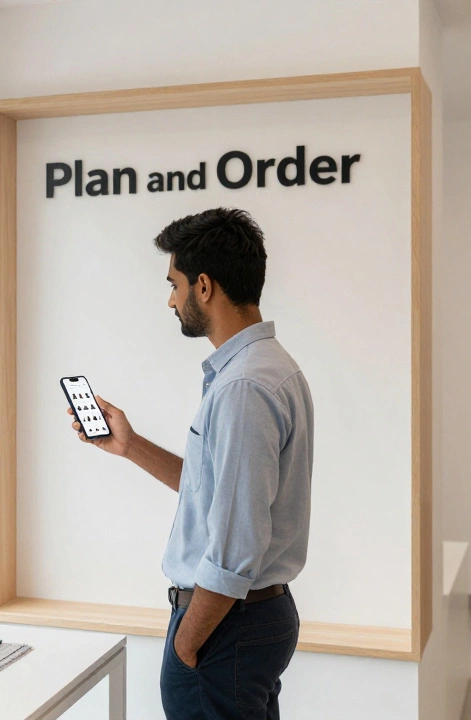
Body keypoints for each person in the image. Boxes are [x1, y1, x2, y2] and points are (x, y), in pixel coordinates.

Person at [68, 207, 313, 720]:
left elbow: (236, 543)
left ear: (204, 286)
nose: (171, 299)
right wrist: (130, 445)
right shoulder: (266, 368)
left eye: (174, 283)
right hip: (249, 618)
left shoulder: (244, 386)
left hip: (225, 625)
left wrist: (188, 640)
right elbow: (217, 492)